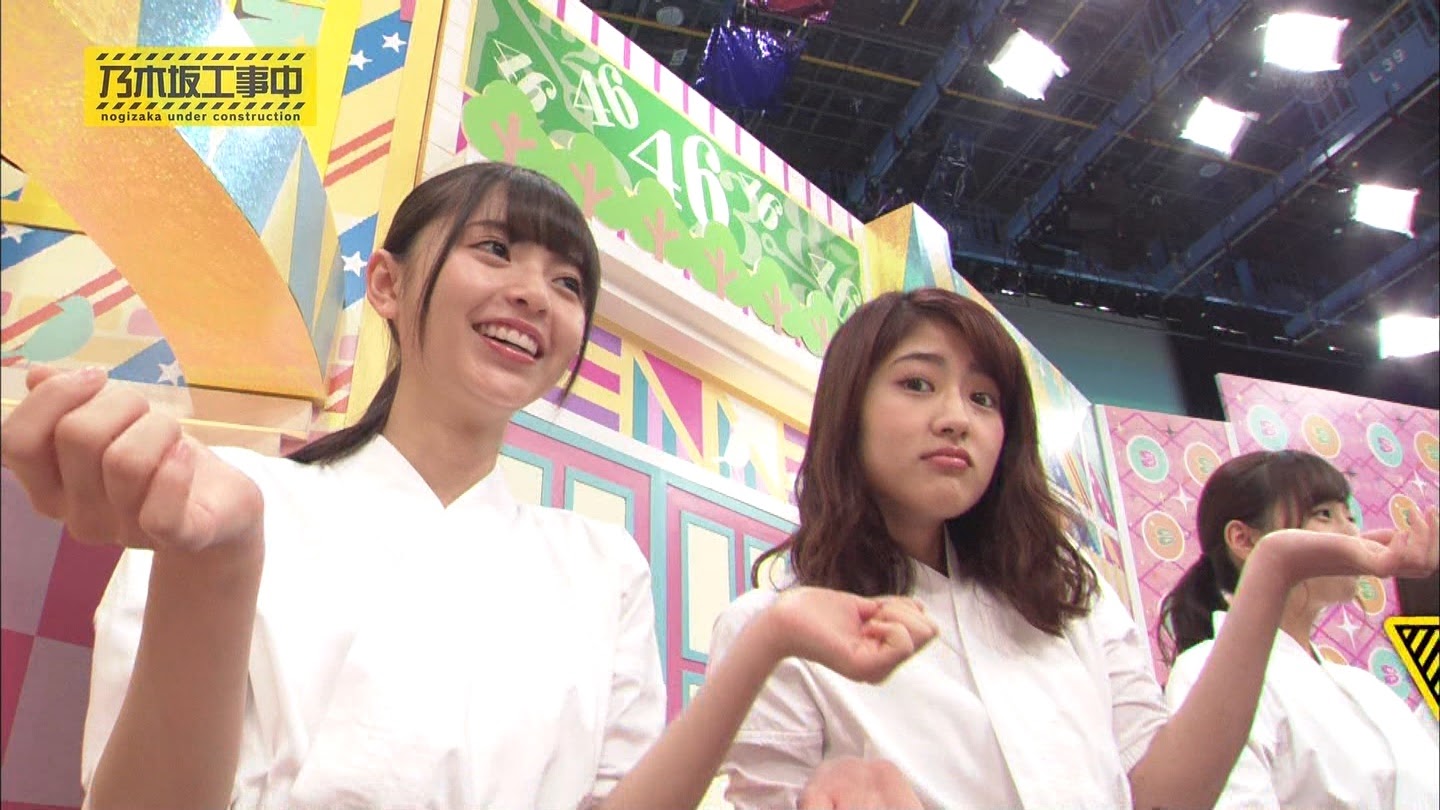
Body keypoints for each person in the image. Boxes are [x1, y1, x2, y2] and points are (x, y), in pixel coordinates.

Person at [0, 162, 938, 810]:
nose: (535, 293)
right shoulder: (229, 505)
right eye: (495, 250)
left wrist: (771, 637)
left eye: (568, 283)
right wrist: (219, 565)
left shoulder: (600, 566)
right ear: (386, 283)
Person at [710, 287, 1439, 809]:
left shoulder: (1069, 595)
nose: (956, 417)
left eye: (985, 398)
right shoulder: (775, 629)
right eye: (918, 383)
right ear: (849, 410)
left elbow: (1164, 796)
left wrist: (1273, 571)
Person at [1159, 450, 1440, 809]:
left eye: (1350, 516)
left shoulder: (1368, 689)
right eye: (1324, 515)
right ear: (1244, 540)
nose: (1350, 532)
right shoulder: (1207, 674)